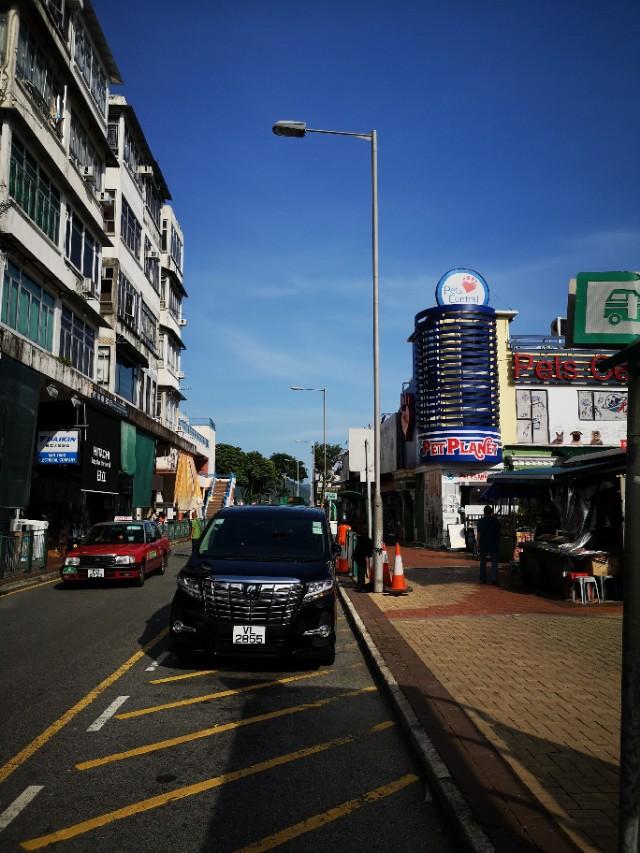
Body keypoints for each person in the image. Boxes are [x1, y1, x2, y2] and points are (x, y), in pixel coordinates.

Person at [477, 505, 501, 585]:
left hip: (484, 544)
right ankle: (494, 579)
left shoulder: (481, 521)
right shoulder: (496, 521)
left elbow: (479, 533)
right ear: (491, 512)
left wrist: (477, 543)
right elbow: (499, 531)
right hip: (494, 543)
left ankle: (483, 578)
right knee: (494, 562)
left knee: (483, 562)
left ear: (484, 512)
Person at [352, 519, 373, 591]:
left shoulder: (361, 540)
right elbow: (369, 552)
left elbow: (358, 549)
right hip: (362, 557)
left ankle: (360, 584)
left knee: (361, 571)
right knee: (361, 571)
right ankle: (361, 584)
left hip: (361, 557)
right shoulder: (366, 540)